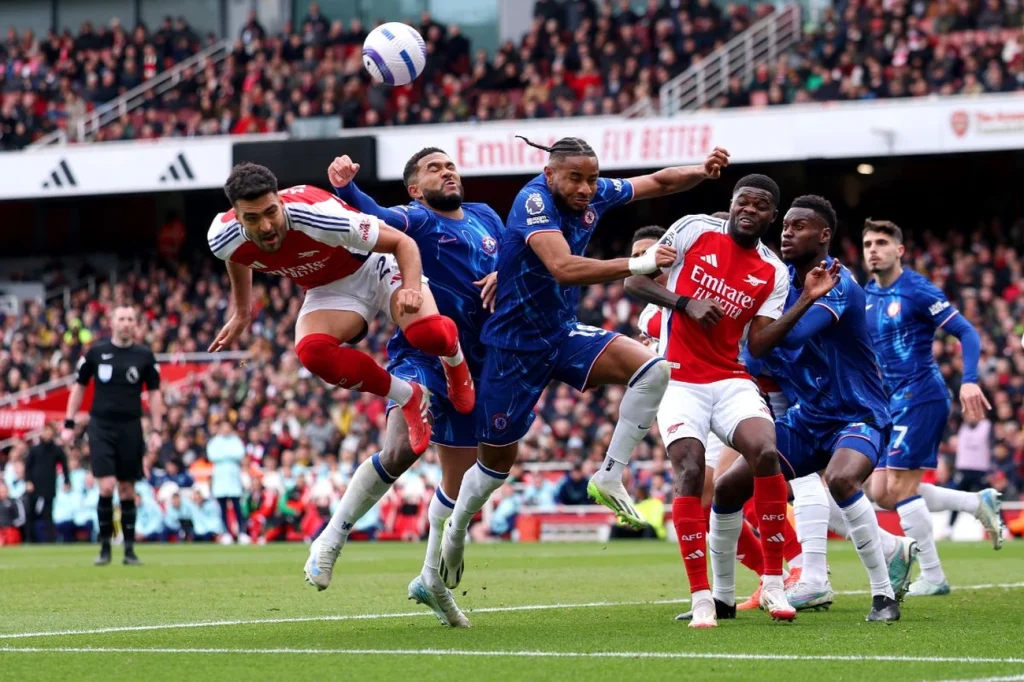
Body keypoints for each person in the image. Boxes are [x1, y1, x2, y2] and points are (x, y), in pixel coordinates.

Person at [439, 136, 731, 594]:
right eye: (575, 178)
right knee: (495, 465)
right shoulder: (533, 200)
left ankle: (609, 475)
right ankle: (456, 531)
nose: (586, 188)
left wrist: (702, 170)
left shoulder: (591, 194)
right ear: (551, 174)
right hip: (514, 347)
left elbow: (656, 180)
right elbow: (563, 268)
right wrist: (639, 262)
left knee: (653, 368)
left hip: (561, 332)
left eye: (593, 178)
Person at [624, 178, 844, 627]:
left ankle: (775, 584)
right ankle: (703, 597)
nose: (749, 210)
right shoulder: (693, 229)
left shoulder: (772, 271)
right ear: (731, 205)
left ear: (771, 216)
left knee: (765, 451)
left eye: (760, 205)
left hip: (730, 378)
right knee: (690, 472)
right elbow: (634, 281)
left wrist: (804, 300)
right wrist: (685, 303)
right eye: (742, 201)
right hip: (680, 379)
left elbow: (759, 344)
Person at [302, 149, 504, 628]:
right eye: (434, 169)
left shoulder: (485, 215)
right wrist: (347, 188)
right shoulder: (416, 219)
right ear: (415, 189)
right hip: (423, 355)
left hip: (482, 360)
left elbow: (520, 252)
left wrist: (506, 272)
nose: (447, 171)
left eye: (450, 165)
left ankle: (431, 580)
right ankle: (331, 537)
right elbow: (376, 216)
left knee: (458, 485)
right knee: (401, 449)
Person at [712, 195, 907, 623]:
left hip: (858, 413)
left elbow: (794, 337)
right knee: (727, 488)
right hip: (807, 417)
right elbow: (758, 354)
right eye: (785, 225)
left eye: (799, 226)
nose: (787, 232)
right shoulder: (778, 282)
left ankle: (884, 595)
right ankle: (722, 599)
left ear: (823, 235)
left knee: (839, 478)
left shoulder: (837, 281)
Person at [207, 162, 475, 457]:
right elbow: (233, 255)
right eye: (253, 219)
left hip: (376, 262)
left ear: (280, 201)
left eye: (271, 212)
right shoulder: (222, 236)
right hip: (329, 286)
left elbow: (403, 242)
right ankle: (408, 396)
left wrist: (411, 288)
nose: (266, 226)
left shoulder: (319, 216)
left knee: (429, 334)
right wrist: (242, 312)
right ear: (238, 219)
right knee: (312, 352)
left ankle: (455, 362)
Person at [632, 223, 804, 618]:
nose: (650, 261)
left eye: (654, 252)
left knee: (746, 470)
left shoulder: (708, 271)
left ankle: (784, 571)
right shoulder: (648, 312)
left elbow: (753, 332)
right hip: (680, 392)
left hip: (726, 388)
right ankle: (724, 592)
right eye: (641, 255)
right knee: (709, 494)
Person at [862, 219, 1003, 596]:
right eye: (867, 244)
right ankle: (976, 502)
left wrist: (969, 379)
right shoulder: (867, 295)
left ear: (899, 250)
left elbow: (967, 332)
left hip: (920, 395)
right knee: (880, 492)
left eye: (881, 243)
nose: (873, 250)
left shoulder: (918, 290)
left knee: (900, 487)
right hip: (887, 402)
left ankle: (934, 575)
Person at [62, 305, 163, 566]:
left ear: (135, 323)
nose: (126, 323)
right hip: (101, 427)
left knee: (127, 490)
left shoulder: (144, 356)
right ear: (113, 322)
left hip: (131, 428)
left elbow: (154, 394)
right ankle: (105, 547)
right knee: (106, 486)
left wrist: (157, 429)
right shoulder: (96, 352)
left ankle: (129, 550)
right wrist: (69, 422)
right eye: (122, 319)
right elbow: (79, 387)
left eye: (130, 318)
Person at [25, 423, 70, 543]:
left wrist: (67, 480)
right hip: (34, 484)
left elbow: (65, 465)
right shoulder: (35, 449)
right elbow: (28, 467)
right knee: (31, 512)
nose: (48, 434)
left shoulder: (56, 450)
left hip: (49, 484)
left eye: (50, 432)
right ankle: (30, 538)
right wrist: (28, 481)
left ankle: (50, 539)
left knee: (48, 513)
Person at [208, 420, 246, 543]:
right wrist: (229, 455)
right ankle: (225, 533)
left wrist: (224, 455)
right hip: (220, 479)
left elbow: (240, 454)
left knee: (237, 507)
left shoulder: (236, 441)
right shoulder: (215, 442)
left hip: (233, 478)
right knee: (222, 508)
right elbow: (212, 456)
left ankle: (242, 532)